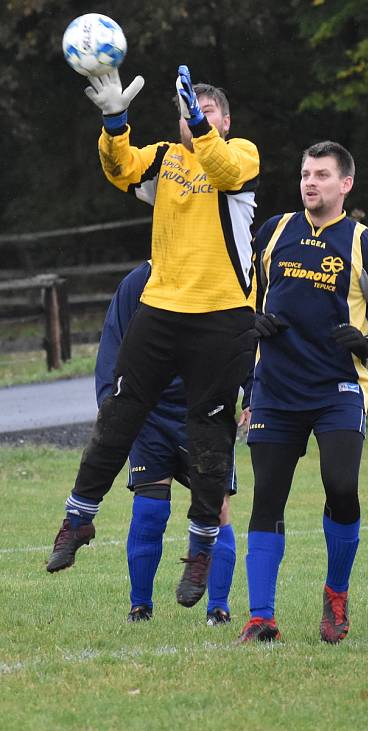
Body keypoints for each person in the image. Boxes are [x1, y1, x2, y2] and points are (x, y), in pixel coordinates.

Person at [46, 65, 259, 612]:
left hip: (222, 314)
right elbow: (120, 169)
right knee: (119, 413)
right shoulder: (165, 157)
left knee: (210, 436)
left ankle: (203, 553)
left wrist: (201, 125)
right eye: (189, 113)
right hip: (162, 308)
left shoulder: (242, 156)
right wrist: (114, 123)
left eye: (207, 111)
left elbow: (222, 166)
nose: (194, 120)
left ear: (225, 120)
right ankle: (78, 519)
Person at [236, 140, 368, 645]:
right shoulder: (274, 232)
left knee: (341, 487)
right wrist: (252, 321)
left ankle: (336, 595)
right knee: (268, 497)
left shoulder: (366, 245)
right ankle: (261, 616)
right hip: (275, 388)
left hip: (338, 389)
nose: (310, 182)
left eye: (321, 175)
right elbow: (242, 291)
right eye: (305, 173)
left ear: (345, 184)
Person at [96, 262, 241, 625]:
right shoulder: (139, 282)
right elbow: (112, 345)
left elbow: (247, 340)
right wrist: (112, 407)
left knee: (217, 508)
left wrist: (252, 394)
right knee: (149, 509)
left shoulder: (221, 275)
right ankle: (139, 607)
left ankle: (218, 609)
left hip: (206, 412)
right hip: (151, 416)